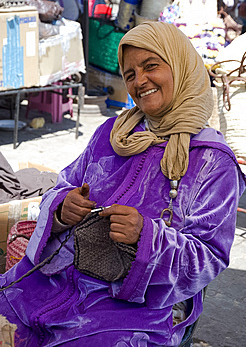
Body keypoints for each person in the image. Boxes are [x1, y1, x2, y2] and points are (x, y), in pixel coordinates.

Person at [0, 22, 245, 346]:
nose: (139, 81)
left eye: (151, 66)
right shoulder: (112, 133)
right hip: (54, 280)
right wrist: (62, 206)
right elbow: (63, 185)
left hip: (134, 305)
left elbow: (209, 256)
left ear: (180, 66)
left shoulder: (213, 161)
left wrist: (147, 238)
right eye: (130, 75)